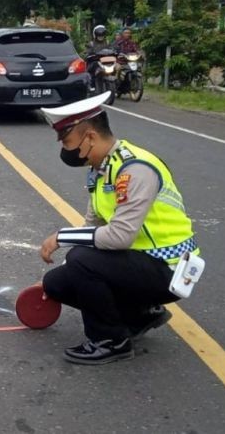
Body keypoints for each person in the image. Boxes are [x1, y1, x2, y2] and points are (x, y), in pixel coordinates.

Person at [37, 92, 199, 365]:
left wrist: (61, 237)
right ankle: (140, 315)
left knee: (81, 260)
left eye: (68, 141)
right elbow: (93, 227)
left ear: (89, 137)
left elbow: (121, 237)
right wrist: (63, 268)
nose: (66, 150)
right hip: (141, 263)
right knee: (55, 282)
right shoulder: (102, 170)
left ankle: (110, 340)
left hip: (172, 269)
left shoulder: (134, 169)